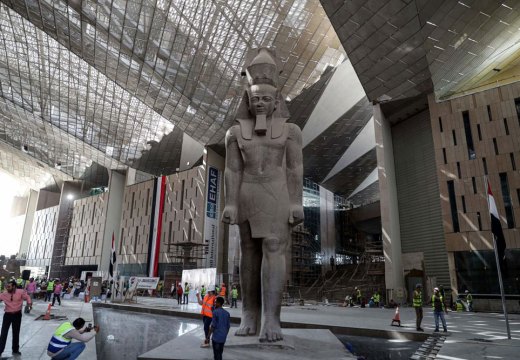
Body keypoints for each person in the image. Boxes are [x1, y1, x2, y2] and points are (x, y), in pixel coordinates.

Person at [221, 48, 303, 342]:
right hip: (247, 192)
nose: (260, 104)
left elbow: (295, 168)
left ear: (276, 101)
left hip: (277, 191)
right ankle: (249, 313)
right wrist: (230, 202)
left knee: (272, 247)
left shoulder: (291, 131)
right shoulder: (234, 133)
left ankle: (272, 317)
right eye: (255, 99)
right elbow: (232, 170)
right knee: (249, 251)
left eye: (266, 99)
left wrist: (297, 202)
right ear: (248, 100)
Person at [0, 280, 32, 357]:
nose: (7, 288)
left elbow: (27, 297)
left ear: (14, 286)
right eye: (7, 286)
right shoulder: (4, 294)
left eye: (9, 286)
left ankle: (15, 350)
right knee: (4, 333)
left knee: (16, 332)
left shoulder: (20, 292)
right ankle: (0, 350)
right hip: (7, 315)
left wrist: (29, 303)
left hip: (17, 315)